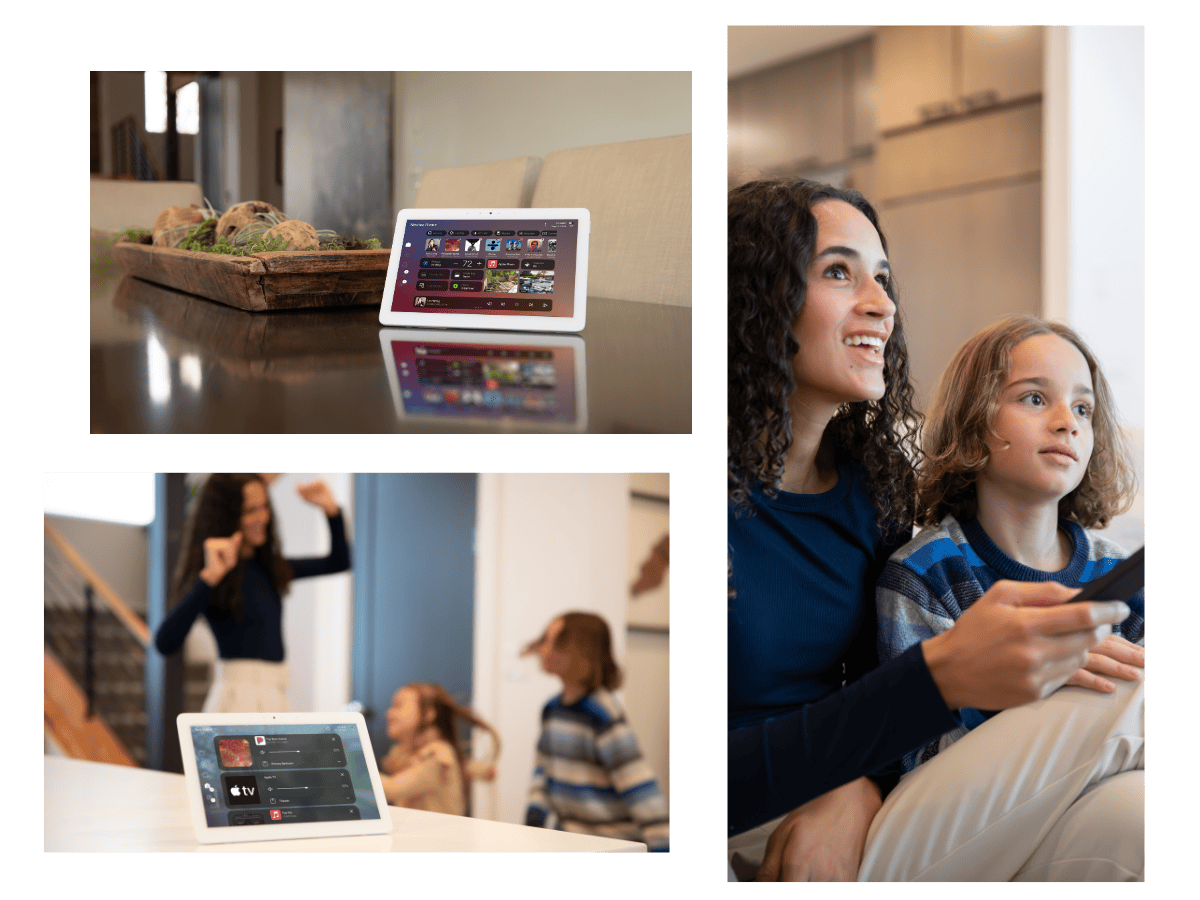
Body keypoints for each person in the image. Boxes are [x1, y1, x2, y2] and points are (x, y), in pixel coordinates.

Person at [725, 178, 1137, 881]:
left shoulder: (868, 490)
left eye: (883, 279)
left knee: (1137, 822)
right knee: (1145, 692)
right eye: (837, 271)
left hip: (854, 799)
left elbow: (870, 702)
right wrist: (939, 680)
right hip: (746, 818)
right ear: (757, 300)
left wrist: (859, 787)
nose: (883, 306)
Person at [878, 315, 1145, 770]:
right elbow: (912, 758)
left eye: (1083, 408)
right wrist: (1042, 691)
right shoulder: (926, 574)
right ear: (974, 420)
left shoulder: (1119, 576)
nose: (1068, 423)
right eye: (1035, 398)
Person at [154, 473, 350, 712]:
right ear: (228, 516)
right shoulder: (214, 576)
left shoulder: (270, 568)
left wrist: (331, 510)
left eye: (265, 506)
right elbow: (165, 643)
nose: (262, 517)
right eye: (251, 510)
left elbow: (339, 562)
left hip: (278, 696)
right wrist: (209, 578)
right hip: (237, 700)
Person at [523, 612, 670, 852]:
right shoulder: (552, 710)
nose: (543, 649)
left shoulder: (601, 714)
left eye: (552, 642)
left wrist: (663, 850)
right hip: (571, 841)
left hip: (612, 845)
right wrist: (534, 819)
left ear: (580, 651)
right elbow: (542, 771)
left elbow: (639, 786)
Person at [378, 681, 500, 816]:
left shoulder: (437, 755)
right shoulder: (403, 752)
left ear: (428, 714)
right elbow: (461, 766)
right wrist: (479, 769)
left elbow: (391, 789)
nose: (389, 713)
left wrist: (355, 773)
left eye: (398, 706)